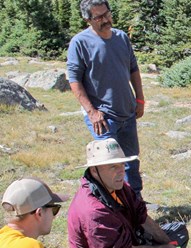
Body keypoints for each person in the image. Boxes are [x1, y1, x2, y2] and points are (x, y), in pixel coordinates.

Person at [67, 139, 191, 248]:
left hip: (131, 244)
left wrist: (169, 244)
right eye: (113, 166)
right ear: (94, 170)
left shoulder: (117, 186)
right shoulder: (93, 211)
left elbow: (143, 219)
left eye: (122, 165)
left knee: (179, 230)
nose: (121, 171)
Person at [67, 0, 145, 198]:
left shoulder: (121, 37)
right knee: (110, 165)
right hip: (103, 118)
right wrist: (92, 112)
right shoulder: (80, 43)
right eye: (99, 17)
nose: (105, 20)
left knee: (131, 162)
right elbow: (74, 80)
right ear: (87, 19)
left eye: (107, 14)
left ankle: (135, 203)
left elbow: (133, 69)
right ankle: (111, 205)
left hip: (127, 112)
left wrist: (140, 99)